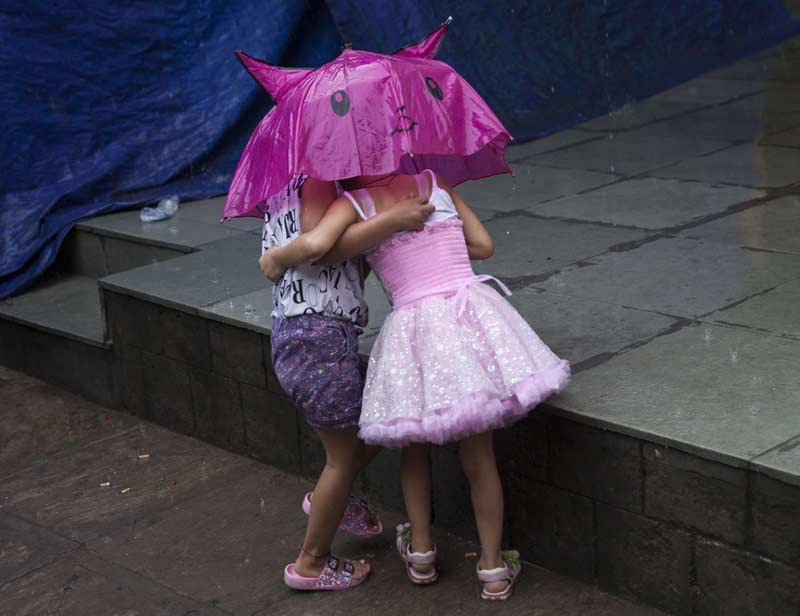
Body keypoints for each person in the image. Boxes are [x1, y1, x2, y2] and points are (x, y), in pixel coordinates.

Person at [261, 169, 570, 601]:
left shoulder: (353, 205)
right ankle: (493, 568)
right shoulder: (436, 183)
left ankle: (421, 553)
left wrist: (380, 233)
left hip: (413, 334)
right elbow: (483, 246)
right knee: (479, 455)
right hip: (469, 319)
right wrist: (437, 244)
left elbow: (327, 253)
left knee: (414, 443)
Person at [260, 174, 434, 591]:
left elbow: (340, 256)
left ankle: (329, 501)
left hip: (301, 334)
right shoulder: (319, 182)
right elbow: (320, 249)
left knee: (381, 423)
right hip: (317, 338)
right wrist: (393, 218)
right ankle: (311, 562)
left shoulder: (280, 187)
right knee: (344, 456)